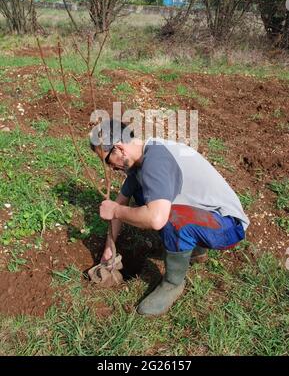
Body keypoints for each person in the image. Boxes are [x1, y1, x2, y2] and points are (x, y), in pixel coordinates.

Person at [89, 119, 249, 317]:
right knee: (144, 197)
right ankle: (195, 251)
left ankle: (173, 283)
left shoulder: (157, 160)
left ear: (119, 149)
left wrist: (115, 212)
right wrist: (108, 248)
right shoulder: (141, 160)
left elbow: (155, 218)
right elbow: (121, 201)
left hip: (227, 225)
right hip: (203, 214)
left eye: (107, 160)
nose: (110, 168)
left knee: (168, 217)